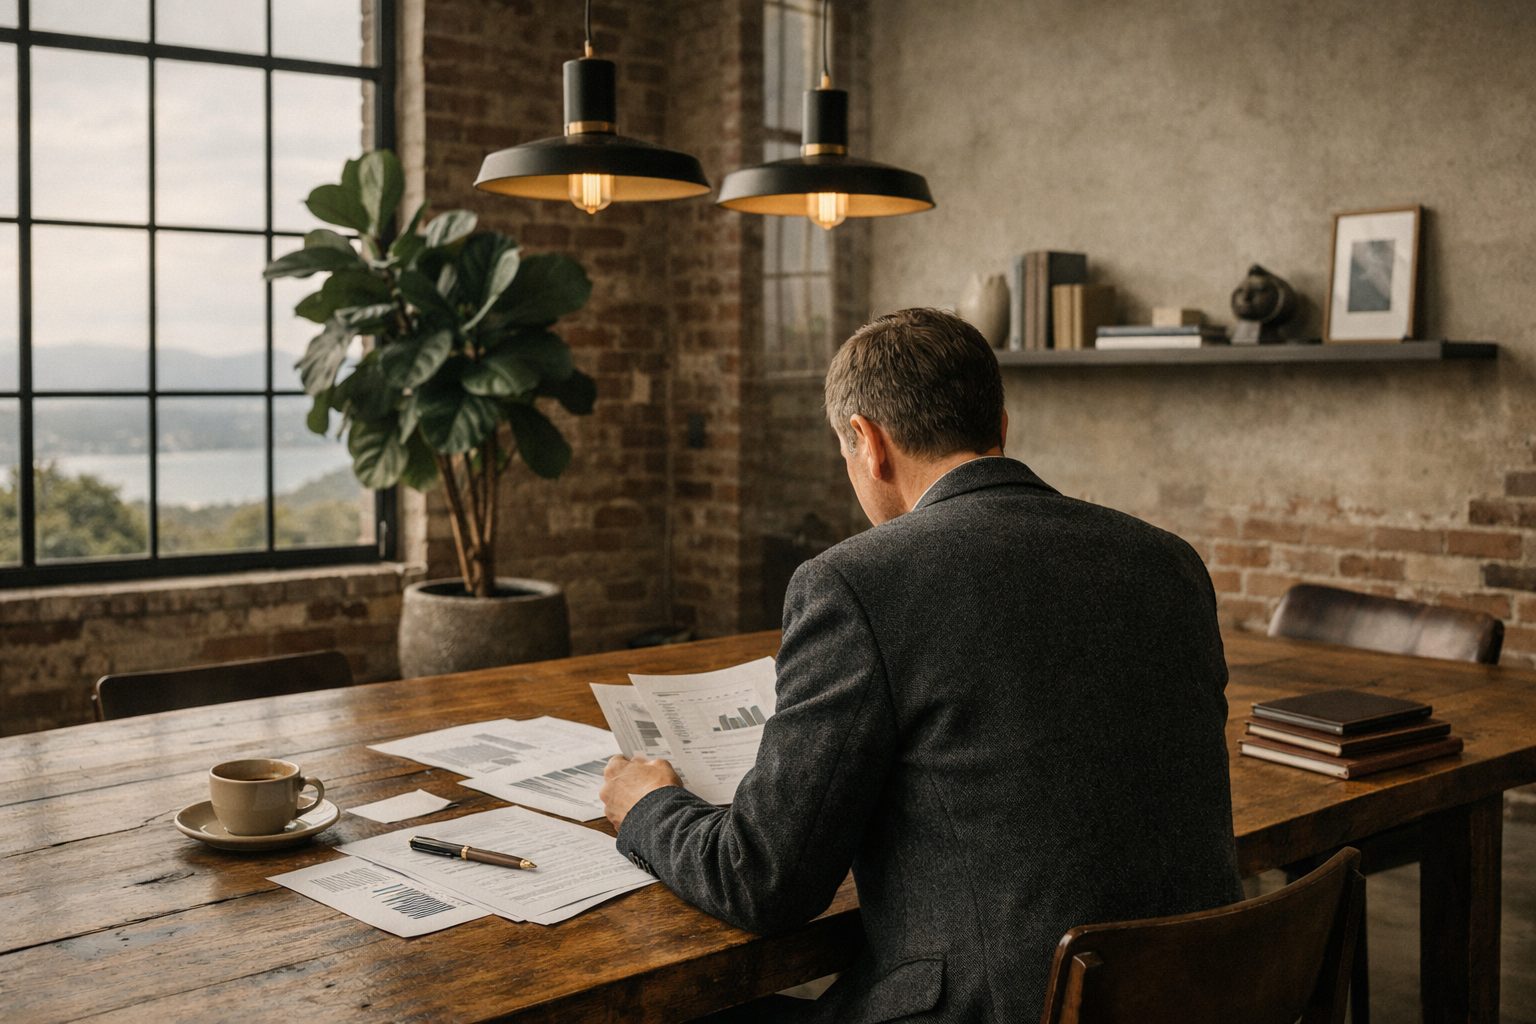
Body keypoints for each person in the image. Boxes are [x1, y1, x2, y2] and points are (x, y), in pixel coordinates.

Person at [600, 307, 1243, 1022]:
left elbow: (762, 882)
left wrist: (647, 805)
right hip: (1197, 994)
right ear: (1000, 428)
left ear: (867, 442)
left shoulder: (858, 582)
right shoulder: (1168, 561)